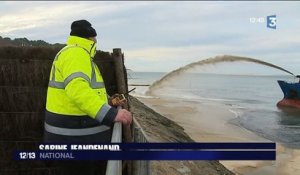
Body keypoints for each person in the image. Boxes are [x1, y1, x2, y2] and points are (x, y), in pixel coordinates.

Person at [43, 19, 132, 175]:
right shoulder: (76, 54)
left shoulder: (74, 54)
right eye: (95, 38)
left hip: (72, 138)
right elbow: (77, 90)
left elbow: (89, 91)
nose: (96, 41)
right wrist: (112, 114)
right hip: (75, 139)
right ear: (90, 38)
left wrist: (109, 101)